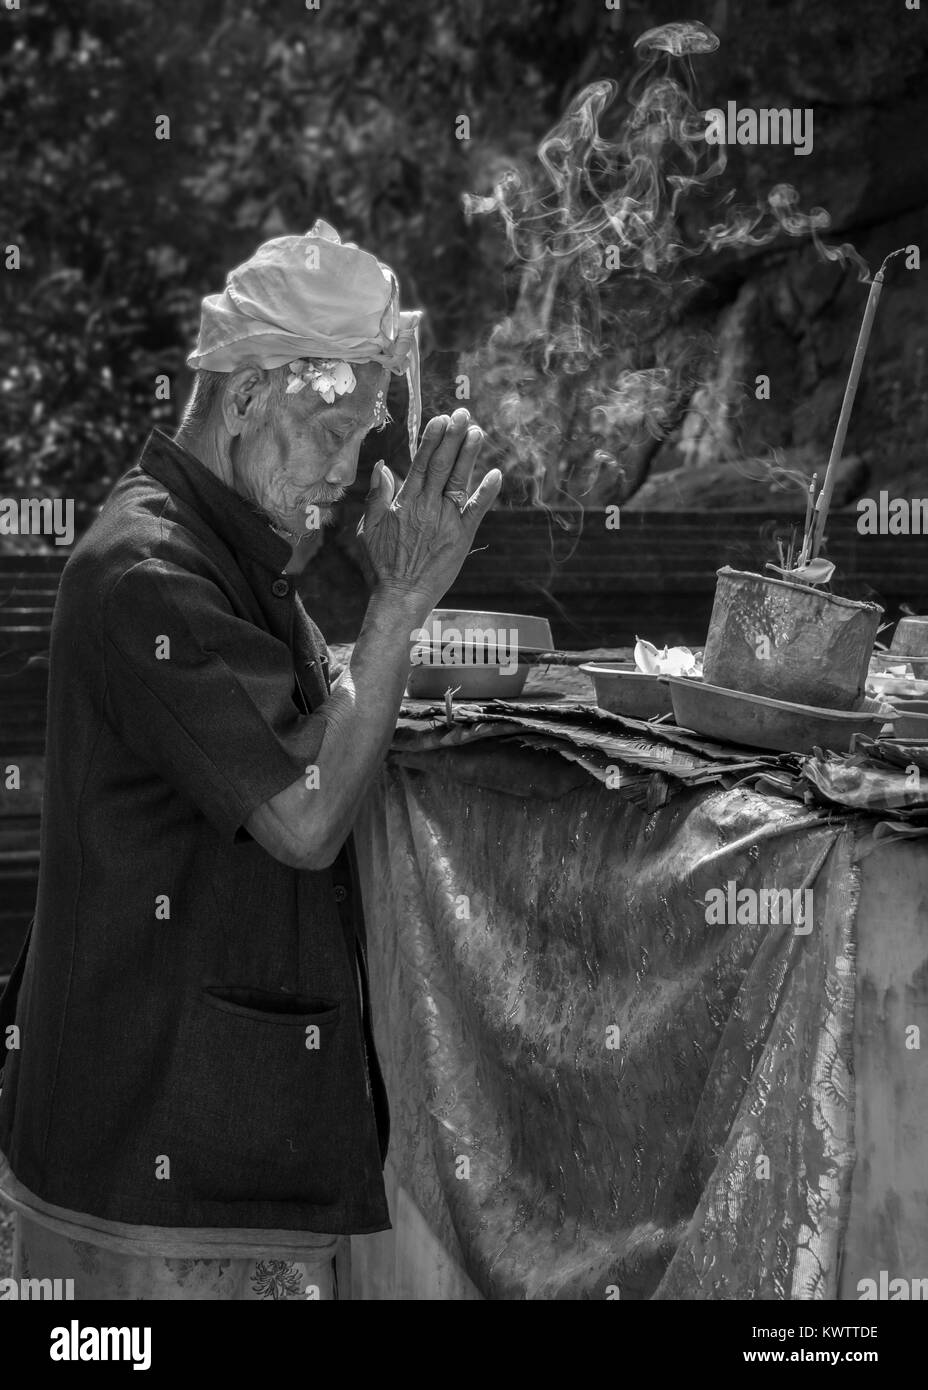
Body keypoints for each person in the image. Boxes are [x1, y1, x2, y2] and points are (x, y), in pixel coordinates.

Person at [0, 220, 501, 1300]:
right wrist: (399, 606)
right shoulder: (151, 572)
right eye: (328, 432)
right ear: (246, 398)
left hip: (203, 1132)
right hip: (151, 1163)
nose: (344, 471)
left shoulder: (230, 553)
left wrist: (389, 631)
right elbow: (306, 820)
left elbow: (317, 731)